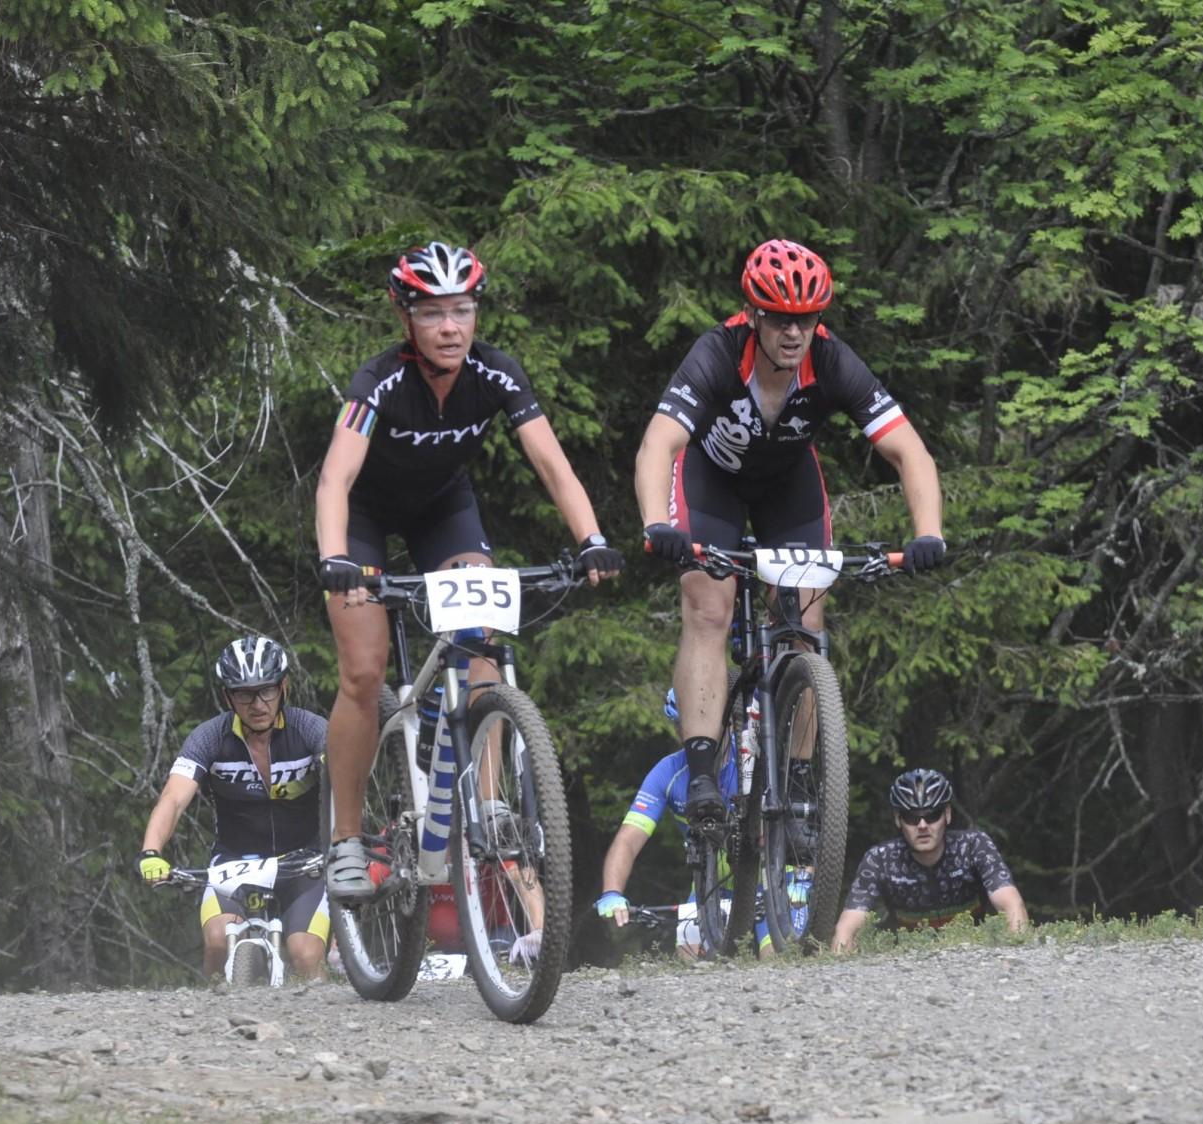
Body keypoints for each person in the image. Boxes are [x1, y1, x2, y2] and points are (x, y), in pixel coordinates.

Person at [318, 240, 623, 900]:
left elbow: (552, 465)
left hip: (441, 510)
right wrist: (335, 557)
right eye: (432, 313)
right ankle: (345, 839)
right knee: (363, 672)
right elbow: (336, 478)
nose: (450, 327)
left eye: (461, 310)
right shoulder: (378, 382)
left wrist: (592, 538)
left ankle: (489, 804)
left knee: (481, 639)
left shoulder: (497, 373)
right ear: (405, 318)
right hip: (363, 515)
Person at [633, 239, 946, 833]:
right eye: (780, 318)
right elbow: (659, 444)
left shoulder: (832, 360)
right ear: (753, 315)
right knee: (709, 607)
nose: (794, 332)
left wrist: (928, 532)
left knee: (805, 625)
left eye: (807, 318)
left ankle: (798, 782)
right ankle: (702, 774)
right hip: (711, 481)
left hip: (786, 486)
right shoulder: (718, 353)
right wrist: (657, 523)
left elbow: (910, 451)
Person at [135, 636, 330, 980]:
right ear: (228, 697)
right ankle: (213, 1006)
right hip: (234, 863)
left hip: (303, 862)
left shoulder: (310, 729)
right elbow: (174, 798)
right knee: (218, 942)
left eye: (266, 691)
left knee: (306, 954)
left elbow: (344, 780)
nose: (257, 704)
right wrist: (151, 851)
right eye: (244, 694)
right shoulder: (209, 737)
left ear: (283, 688)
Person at [594, 688, 800, 956]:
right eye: (684, 725)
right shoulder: (667, 773)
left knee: (778, 958)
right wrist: (612, 892)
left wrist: (804, 876)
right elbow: (627, 841)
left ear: (726, 721)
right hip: (712, 889)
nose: (694, 731)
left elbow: (800, 821)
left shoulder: (752, 758)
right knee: (688, 955)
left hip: (772, 881)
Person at [831, 768, 1027, 954]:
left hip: (974, 953)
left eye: (932, 815)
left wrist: (1014, 960)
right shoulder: (880, 859)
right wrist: (841, 969)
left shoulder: (973, 846)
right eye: (911, 818)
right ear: (898, 819)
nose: (923, 826)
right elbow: (848, 926)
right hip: (908, 962)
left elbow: (1011, 904)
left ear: (947, 814)